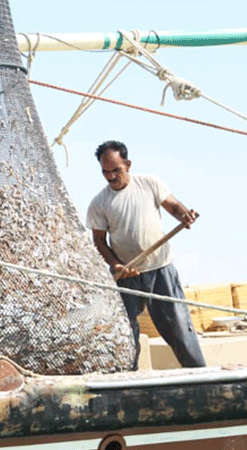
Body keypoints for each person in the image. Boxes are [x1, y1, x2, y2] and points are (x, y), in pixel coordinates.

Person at [86, 140, 206, 370]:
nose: (111, 177)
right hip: (128, 275)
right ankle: (126, 380)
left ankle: (199, 373)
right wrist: (116, 265)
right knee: (125, 333)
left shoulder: (149, 184)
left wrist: (184, 215)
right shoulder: (99, 203)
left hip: (161, 268)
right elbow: (99, 241)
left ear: (128, 164)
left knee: (179, 327)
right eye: (105, 172)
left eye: (116, 170)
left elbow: (173, 206)